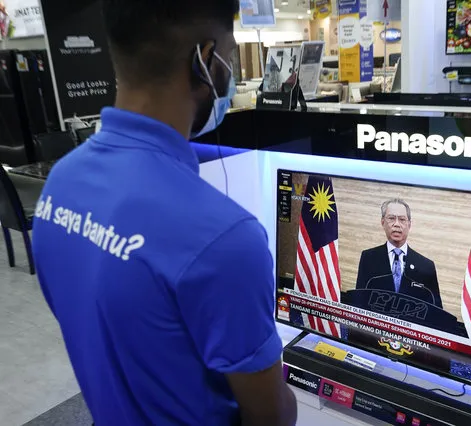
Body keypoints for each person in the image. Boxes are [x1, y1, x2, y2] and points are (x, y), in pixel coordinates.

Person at [31, 1, 297, 425]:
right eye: (229, 57)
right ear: (204, 60)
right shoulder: (224, 237)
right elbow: (272, 417)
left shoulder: (60, 183)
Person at [354, 199, 443, 308]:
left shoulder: (426, 266)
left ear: (409, 225)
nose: (397, 224)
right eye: (391, 218)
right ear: (382, 222)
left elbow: (436, 309)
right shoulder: (368, 258)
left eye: (402, 219)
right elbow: (359, 301)